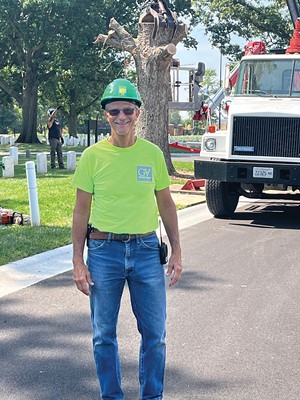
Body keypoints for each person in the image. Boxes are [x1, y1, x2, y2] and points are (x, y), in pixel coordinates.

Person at [71, 78, 182, 400]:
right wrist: (78, 261)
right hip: (104, 252)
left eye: (128, 111)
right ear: (106, 114)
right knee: (103, 335)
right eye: (114, 111)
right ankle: (112, 396)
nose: (122, 117)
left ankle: (152, 397)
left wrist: (177, 251)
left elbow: (166, 203)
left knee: (155, 335)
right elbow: (80, 212)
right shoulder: (92, 157)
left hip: (147, 251)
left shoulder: (152, 154)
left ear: (138, 113)